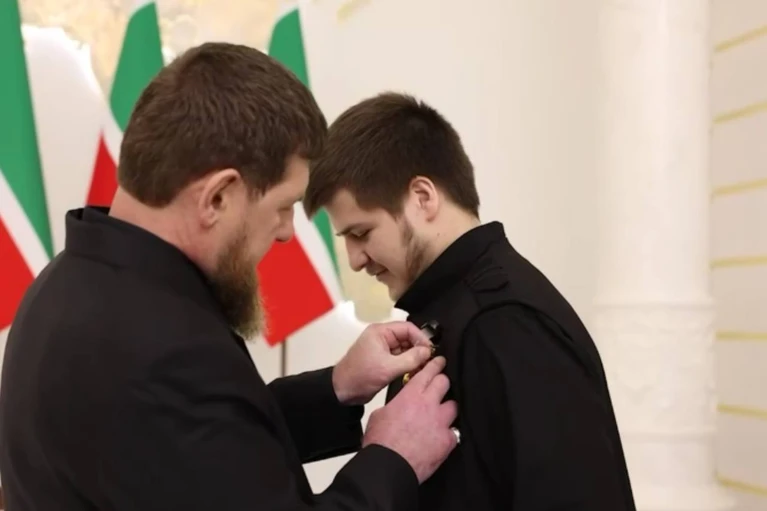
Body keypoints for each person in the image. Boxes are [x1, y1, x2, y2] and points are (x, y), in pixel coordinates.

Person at [0, 44, 460, 511]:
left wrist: (336, 388)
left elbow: (200, 455)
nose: (286, 232)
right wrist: (392, 458)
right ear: (218, 197)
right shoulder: (164, 349)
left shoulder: (63, 285)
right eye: (283, 206)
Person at [303, 92, 637, 511]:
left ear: (422, 197)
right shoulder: (450, 310)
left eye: (361, 233)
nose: (354, 260)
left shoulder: (507, 324)